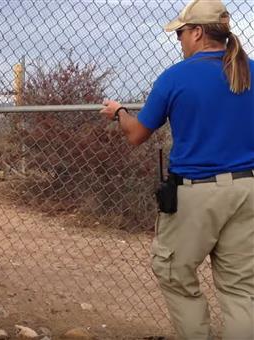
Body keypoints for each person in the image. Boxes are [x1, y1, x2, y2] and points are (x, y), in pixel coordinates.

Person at [100, 0, 254, 339]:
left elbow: (137, 135)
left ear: (197, 33)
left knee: (174, 273)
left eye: (181, 33)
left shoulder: (175, 78)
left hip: (196, 194)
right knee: (241, 289)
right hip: (248, 191)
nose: (180, 40)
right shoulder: (250, 70)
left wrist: (119, 112)